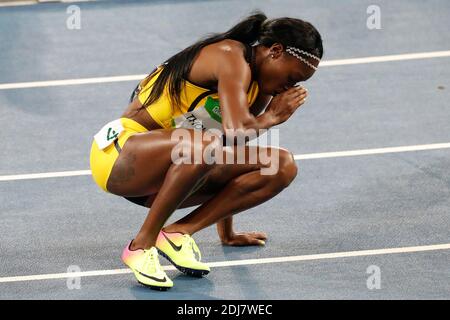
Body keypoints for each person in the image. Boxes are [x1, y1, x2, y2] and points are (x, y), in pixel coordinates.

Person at [89, 11, 323, 290]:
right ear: (275, 51)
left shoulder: (258, 91)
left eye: (300, 83)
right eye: (293, 76)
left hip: (168, 179)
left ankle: (178, 232)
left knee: (280, 165)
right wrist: (272, 118)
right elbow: (231, 134)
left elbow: (227, 143)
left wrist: (227, 233)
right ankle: (140, 246)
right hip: (120, 158)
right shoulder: (230, 57)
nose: (292, 87)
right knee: (203, 145)